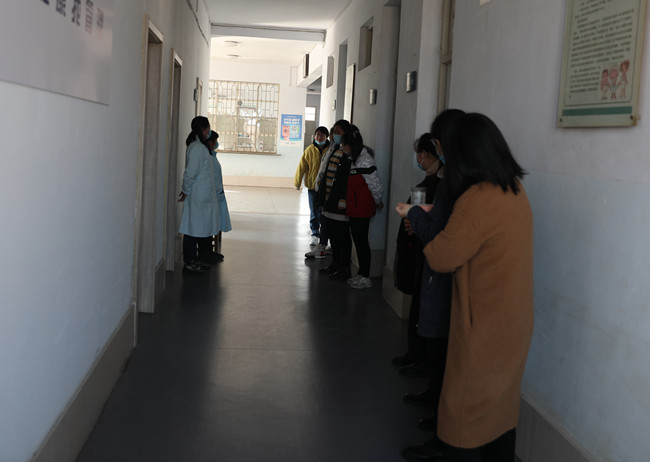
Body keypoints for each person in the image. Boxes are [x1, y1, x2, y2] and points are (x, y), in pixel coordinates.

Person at [400, 113, 534, 462]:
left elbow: (442, 256)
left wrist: (415, 216)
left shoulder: (478, 198)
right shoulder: (513, 189)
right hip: (513, 320)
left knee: (465, 414)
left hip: (484, 325)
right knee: (500, 414)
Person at [392, 112, 464, 382]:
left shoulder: (450, 183)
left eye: (425, 153)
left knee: (431, 313)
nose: (421, 159)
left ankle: (425, 365)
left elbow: (439, 226)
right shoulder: (437, 181)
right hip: (423, 249)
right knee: (419, 308)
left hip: (435, 254)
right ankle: (417, 355)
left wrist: (415, 215)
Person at [339, 126, 383, 289]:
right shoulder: (354, 160)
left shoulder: (365, 161)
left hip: (362, 208)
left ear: (352, 145)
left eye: (344, 145)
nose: (343, 148)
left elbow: (375, 184)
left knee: (362, 242)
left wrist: (378, 200)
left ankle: (366, 277)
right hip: (355, 207)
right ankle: (361, 274)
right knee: (358, 240)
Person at [178, 116, 220, 273]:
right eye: (207, 128)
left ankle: (195, 259)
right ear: (202, 129)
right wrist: (185, 190)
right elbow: (190, 173)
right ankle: (189, 261)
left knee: (197, 228)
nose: (209, 131)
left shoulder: (200, 146)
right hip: (197, 196)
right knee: (191, 229)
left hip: (202, 196)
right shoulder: (196, 148)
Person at [316, 119, 353, 279]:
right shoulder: (334, 148)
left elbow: (346, 178)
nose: (334, 135)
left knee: (342, 235)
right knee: (333, 234)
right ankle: (335, 264)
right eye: (334, 131)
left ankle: (344, 267)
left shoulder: (349, 151)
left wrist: (343, 199)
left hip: (340, 202)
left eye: (338, 132)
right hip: (329, 199)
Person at [197, 130, 231, 263]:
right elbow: (213, 179)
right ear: (210, 142)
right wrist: (219, 194)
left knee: (211, 225)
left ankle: (208, 252)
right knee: (207, 225)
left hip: (214, 195)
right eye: (215, 141)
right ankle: (205, 254)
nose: (216, 143)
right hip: (212, 196)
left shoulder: (211, 155)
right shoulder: (208, 158)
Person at [295, 126, 330, 247]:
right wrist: (297, 182)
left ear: (327, 137)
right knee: (314, 212)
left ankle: (325, 236)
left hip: (326, 188)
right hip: (312, 187)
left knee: (324, 213)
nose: (319, 137)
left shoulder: (330, 150)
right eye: (317, 135)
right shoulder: (309, 150)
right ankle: (315, 234)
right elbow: (302, 167)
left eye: (322, 135)